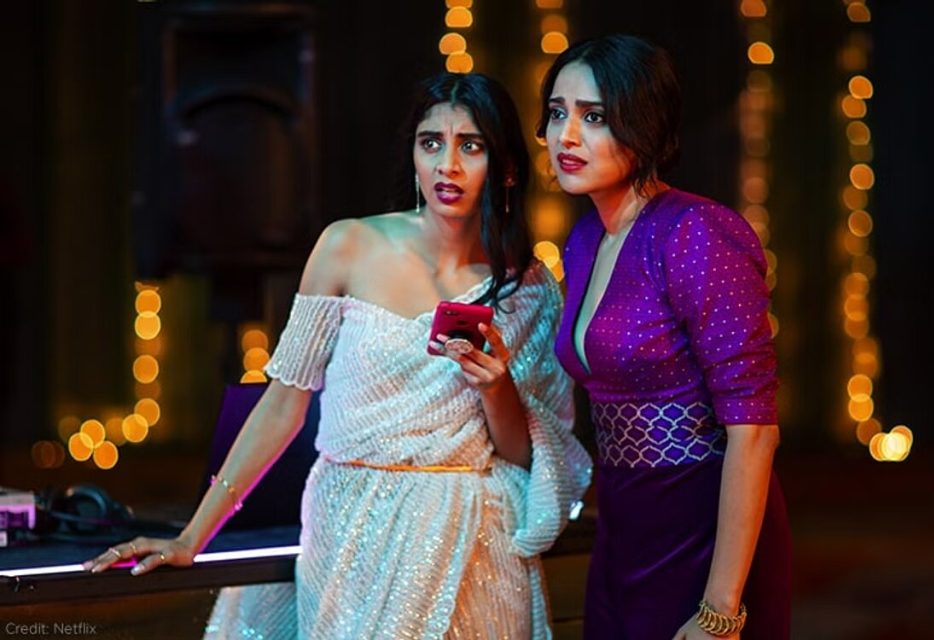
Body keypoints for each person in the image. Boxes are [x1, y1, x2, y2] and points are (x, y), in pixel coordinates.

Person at [86, 72, 591, 639]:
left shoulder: (528, 288)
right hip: (350, 522)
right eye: (431, 143)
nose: (446, 165)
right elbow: (284, 403)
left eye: (470, 147)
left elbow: (523, 457)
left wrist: (496, 388)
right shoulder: (347, 246)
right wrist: (191, 536)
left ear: (506, 168)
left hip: (474, 538)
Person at [538, 35, 792, 639]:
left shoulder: (695, 232)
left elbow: (755, 430)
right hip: (625, 520)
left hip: (702, 524)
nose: (566, 136)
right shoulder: (585, 240)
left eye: (594, 117)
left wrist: (720, 610)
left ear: (644, 126)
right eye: (556, 113)